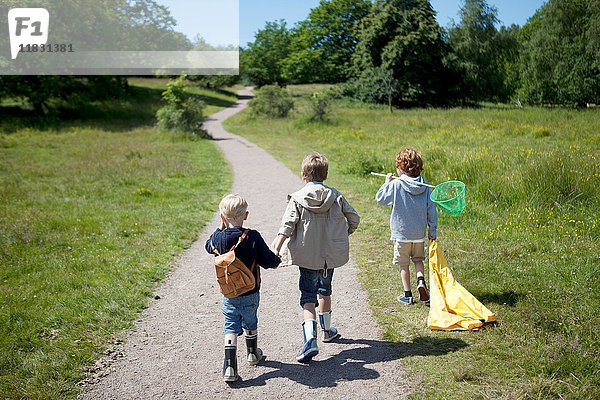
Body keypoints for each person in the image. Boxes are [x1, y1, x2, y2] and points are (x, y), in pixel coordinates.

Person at [273, 152, 360, 363]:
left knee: (308, 298)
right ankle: (327, 330)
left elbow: (287, 226)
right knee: (325, 291)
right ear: (326, 174)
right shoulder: (336, 196)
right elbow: (354, 218)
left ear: (303, 175)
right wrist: (343, 233)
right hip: (328, 257)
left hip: (307, 257)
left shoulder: (297, 199)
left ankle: (310, 340)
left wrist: (275, 249)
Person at [205, 194, 280, 382]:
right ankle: (253, 354)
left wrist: (220, 227)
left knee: (230, 325)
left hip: (228, 293)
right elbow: (268, 261)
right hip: (250, 291)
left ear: (222, 217)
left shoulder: (218, 238)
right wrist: (277, 259)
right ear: (245, 215)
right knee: (250, 321)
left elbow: (208, 246)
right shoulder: (251, 236)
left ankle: (230, 367)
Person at [375, 148, 438, 305]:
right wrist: (432, 230)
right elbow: (432, 210)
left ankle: (407, 294)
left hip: (401, 235)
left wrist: (387, 181)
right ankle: (421, 281)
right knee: (418, 259)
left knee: (404, 264)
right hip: (419, 234)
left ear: (400, 169)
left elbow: (380, 199)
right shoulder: (425, 186)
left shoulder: (396, 184)